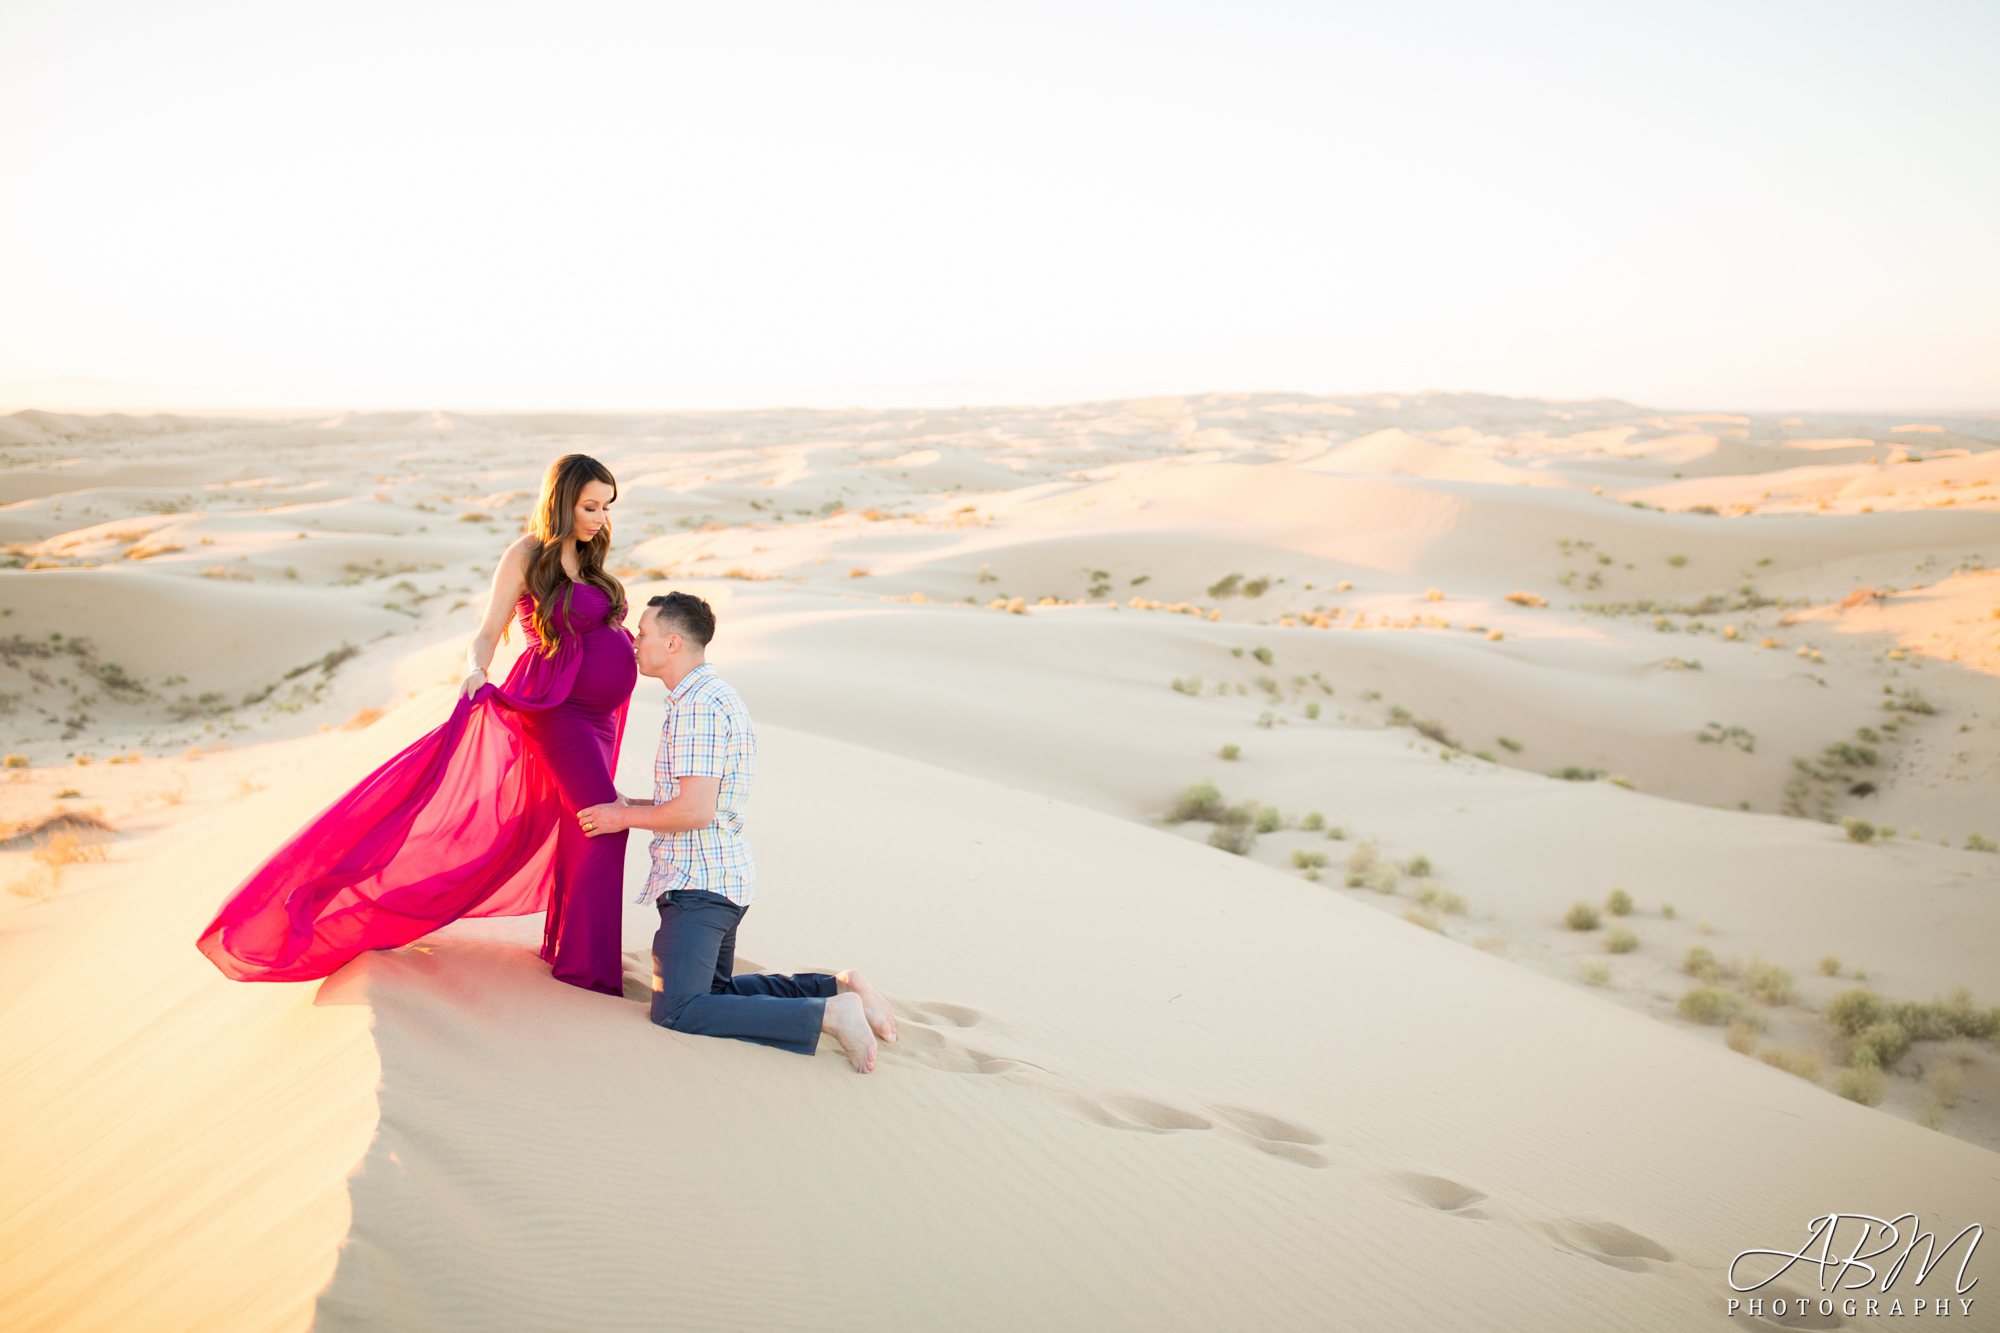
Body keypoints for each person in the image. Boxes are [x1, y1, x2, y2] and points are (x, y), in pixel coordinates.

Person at [196, 454, 639, 996]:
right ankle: (589, 971)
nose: (599, 517)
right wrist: (477, 670)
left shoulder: (592, 555)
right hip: (557, 710)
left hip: (599, 716)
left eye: (605, 507)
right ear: (561, 499)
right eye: (589, 505)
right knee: (604, 822)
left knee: (578, 825)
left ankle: (569, 952)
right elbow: (487, 629)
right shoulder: (527, 555)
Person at [575, 592, 898, 1073]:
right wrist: (633, 804)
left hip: (700, 885)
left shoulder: (697, 708)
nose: (633, 641)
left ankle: (828, 1013)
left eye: (642, 633)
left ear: (672, 642)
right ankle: (837, 989)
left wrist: (619, 819)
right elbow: (704, 800)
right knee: (716, 993)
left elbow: (697, 810)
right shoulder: (712, 695)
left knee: (679, 1009)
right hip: (722, 880)